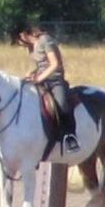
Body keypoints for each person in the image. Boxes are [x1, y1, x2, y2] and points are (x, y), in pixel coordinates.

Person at [17, 23, 76, 153]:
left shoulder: (45, 40)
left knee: (61, 105)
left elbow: (54, 64)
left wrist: (39, 78)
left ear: (24, 34)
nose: (19, 43)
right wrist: (32, 73)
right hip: (41, 80)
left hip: (54, 80)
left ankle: (70, 136)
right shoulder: (31, 47)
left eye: (18, 39)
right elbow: (41, 65)